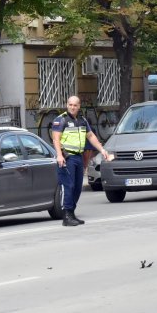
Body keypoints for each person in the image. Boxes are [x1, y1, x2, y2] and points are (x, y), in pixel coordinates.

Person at [51, 96, 110, 226]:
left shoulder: (82, 120)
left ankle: (72, 213)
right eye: (70, 104)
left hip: (78, 157)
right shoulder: (61, 120)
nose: (72, 107)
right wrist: (59, 155)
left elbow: (91, 136)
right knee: (68, 186)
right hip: (67, 158)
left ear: (79, 106)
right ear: (67, 105)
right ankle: (66, 216)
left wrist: (102, 150)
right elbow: (56, 139)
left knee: (77, 188)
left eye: (75, 105)